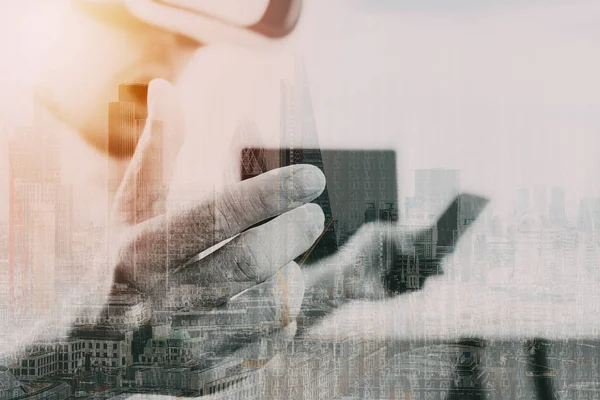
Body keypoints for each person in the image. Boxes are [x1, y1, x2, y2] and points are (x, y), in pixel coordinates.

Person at [0, 0, 326, 359]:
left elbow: (185, 321)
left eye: (189, 37)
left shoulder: (114, 170)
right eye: (131, 22)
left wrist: (349, 278)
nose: (163, 58)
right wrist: (79, 354)